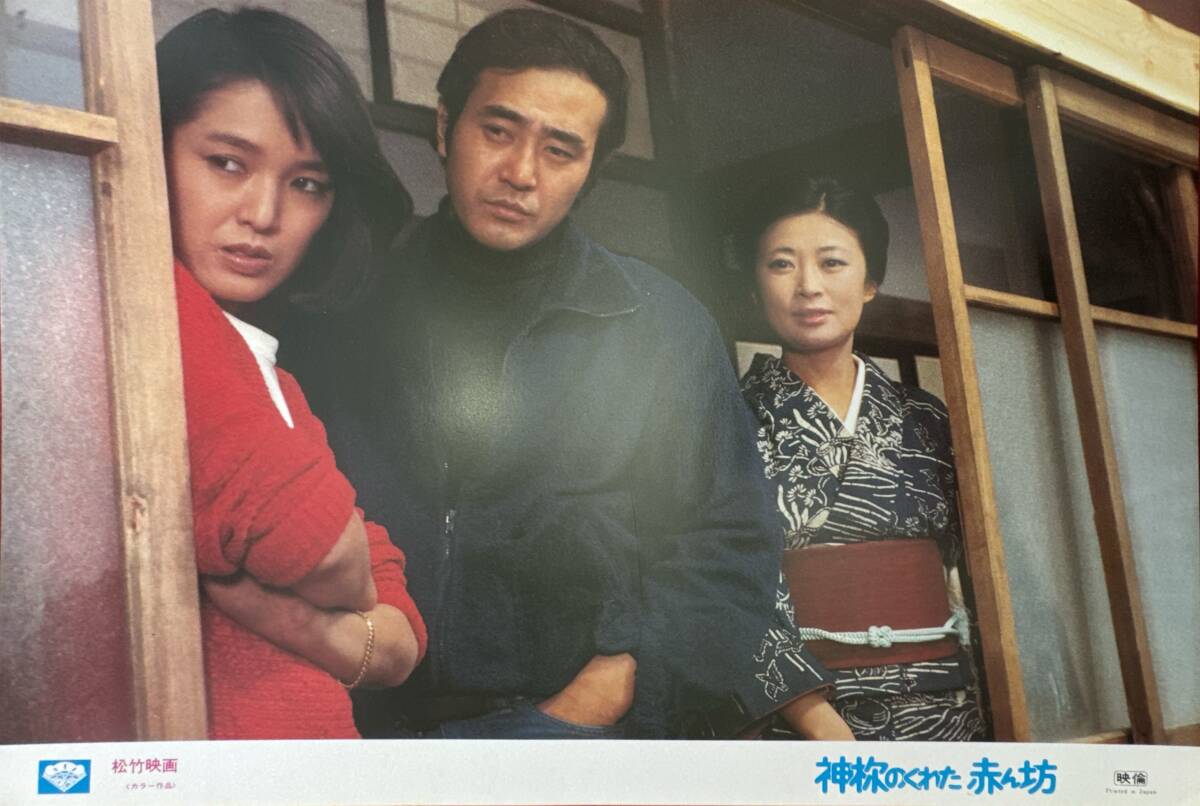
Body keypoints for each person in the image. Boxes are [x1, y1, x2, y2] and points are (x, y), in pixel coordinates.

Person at [286, 8, 786, 739]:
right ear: (445, 126)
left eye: (560, 150)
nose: (521, 173)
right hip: (357, 723)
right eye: (498, 130)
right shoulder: (344, 298)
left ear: (591, 171)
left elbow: (731, 545)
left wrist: (596, 700)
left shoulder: (660, 323)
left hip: (581, 732)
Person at [157, 8, 426, 739]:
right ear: (153, 147)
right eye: (227, 163)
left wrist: (305, 624)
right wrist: (349, 614)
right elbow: (333, 556)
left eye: (307, 183)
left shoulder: (272, 374)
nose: (264, 213)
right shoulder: (149, 307)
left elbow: (402, 639)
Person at [731, 173, 986, 741]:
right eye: (781, 264)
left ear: (871, 280)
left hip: (943, 707)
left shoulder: (927, 418)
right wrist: (809, 714)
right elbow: (719, 581)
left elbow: (982, 575)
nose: (808, 287)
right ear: (753, 285)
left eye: (832, 263)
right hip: (798, 718)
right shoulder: (725, 420)